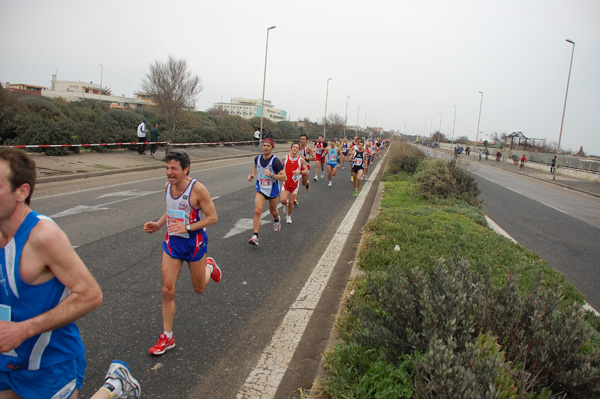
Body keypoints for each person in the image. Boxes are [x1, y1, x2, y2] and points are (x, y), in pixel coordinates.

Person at [0, 147, 103, 398]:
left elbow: (90, 295)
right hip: (6, 362)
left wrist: (22, 330)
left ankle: (113, 387)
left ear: (21, 192)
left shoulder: (43, 236)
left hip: (50, 365)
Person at [143, 149, 221, 356]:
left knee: (199, 288)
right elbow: (171, 208)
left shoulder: (198, 190)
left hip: (194, 243)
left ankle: (210, 266)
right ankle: (167, 337)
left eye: (174, 168)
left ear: (185, 169)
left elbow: (212, 217)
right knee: (167, 290)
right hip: (172, 243)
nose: (169, 172)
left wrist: (187, 228)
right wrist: (159, 224)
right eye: (167, 168)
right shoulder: (167, 186)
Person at [247, 138, 287, 246]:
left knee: (273, 211)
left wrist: (272, 175)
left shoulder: (275, 161)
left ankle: (276, 219)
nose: (265, 147)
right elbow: (256, 166)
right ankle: (255, 236)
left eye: (268, 146)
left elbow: (285, 177)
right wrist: (252, 175)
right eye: (264, 145)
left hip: (273, 188)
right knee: (257, 211)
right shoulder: (257, 158)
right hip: (261, 188)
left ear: (272, 148)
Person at [280, 143, 308, 224]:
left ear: (299, 150)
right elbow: (281, 169)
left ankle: (288, 216)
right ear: (291, 148)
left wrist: (300, 171)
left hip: (295, 184)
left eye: (297, 148)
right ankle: (285, 205)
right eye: (294, 147)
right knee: (283, 200)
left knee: (292, 202)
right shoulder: (285, 158)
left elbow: (306, 170)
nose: (295, 149)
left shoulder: (301, 160)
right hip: (286, 182)